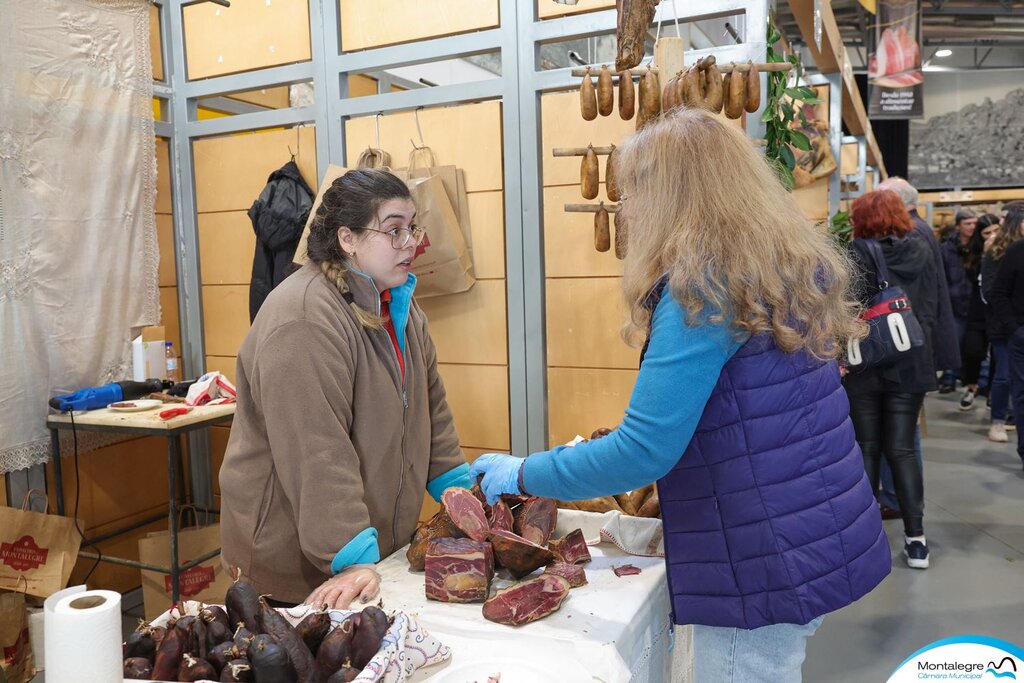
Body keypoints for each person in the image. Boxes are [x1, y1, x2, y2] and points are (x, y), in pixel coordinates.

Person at [470, 110, 891, 682]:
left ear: (671, 196)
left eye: (634, 192)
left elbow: (642, 450)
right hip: (802, 530)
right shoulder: (778, 263)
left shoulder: (706, 288)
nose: (626, 210)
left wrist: (524, 473)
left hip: (760, 557)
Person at [219, 169, 473, 608]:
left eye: (412, 227)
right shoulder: (304, 318)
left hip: (368, 555)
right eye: (393, 229)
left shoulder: (401, 308)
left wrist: (462, 493)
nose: (410, 242)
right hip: (296, 565)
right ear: (347, 239)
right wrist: (350, 554)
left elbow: (432, 410)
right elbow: (316, 450)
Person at [842, 189, 939, 570]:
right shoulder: (922, 250)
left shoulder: (856, 252)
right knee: (902, 449)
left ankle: (863, 540)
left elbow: (847, 309)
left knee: (866, 446)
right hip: (912, 360)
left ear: (861, 219)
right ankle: (917, 541)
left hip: (866, 362)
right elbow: (930, 306)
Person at [987, 202, 1024, 469]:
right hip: (1019, 335)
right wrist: (1015, 328)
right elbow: (997, 293)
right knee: (1019, 392)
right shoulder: (1016, 252)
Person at [958, 214, 1000, 417]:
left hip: (998, 310)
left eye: (996, 231)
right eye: (987, 233)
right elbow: (972, 276)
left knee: (997, 355)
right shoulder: (973, 253)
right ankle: (972, 386)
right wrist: (985, 256)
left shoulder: (1009, 250)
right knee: (973, 350)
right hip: (977, 309)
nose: (992, 235)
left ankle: (992, 391)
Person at [939, 209, 977, 395]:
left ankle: (974, 380)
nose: (972, 227)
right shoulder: (947, 248)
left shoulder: (979, 246)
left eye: (974, 223)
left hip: (975, 303)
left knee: (975, 345)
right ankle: (949, 378)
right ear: (958, 225)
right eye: (967, 223)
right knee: (953, 341)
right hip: (954, 302)